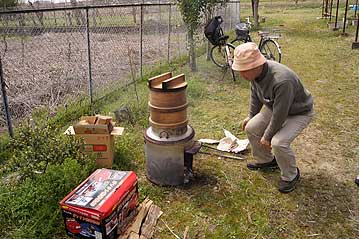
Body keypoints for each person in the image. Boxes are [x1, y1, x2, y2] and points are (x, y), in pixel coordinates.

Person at [231, 42, 314, 193]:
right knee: (251, 128)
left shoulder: (282, 80)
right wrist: (251, 116)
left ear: (256, 66)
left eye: (243, 70)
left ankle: (291, 175)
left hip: (299, 111)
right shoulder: (255, 75)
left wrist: (268, 136)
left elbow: (280, 114)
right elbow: (256, 96)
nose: (241, 74)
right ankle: (267, 161)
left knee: (278, 142)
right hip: (275, 105)